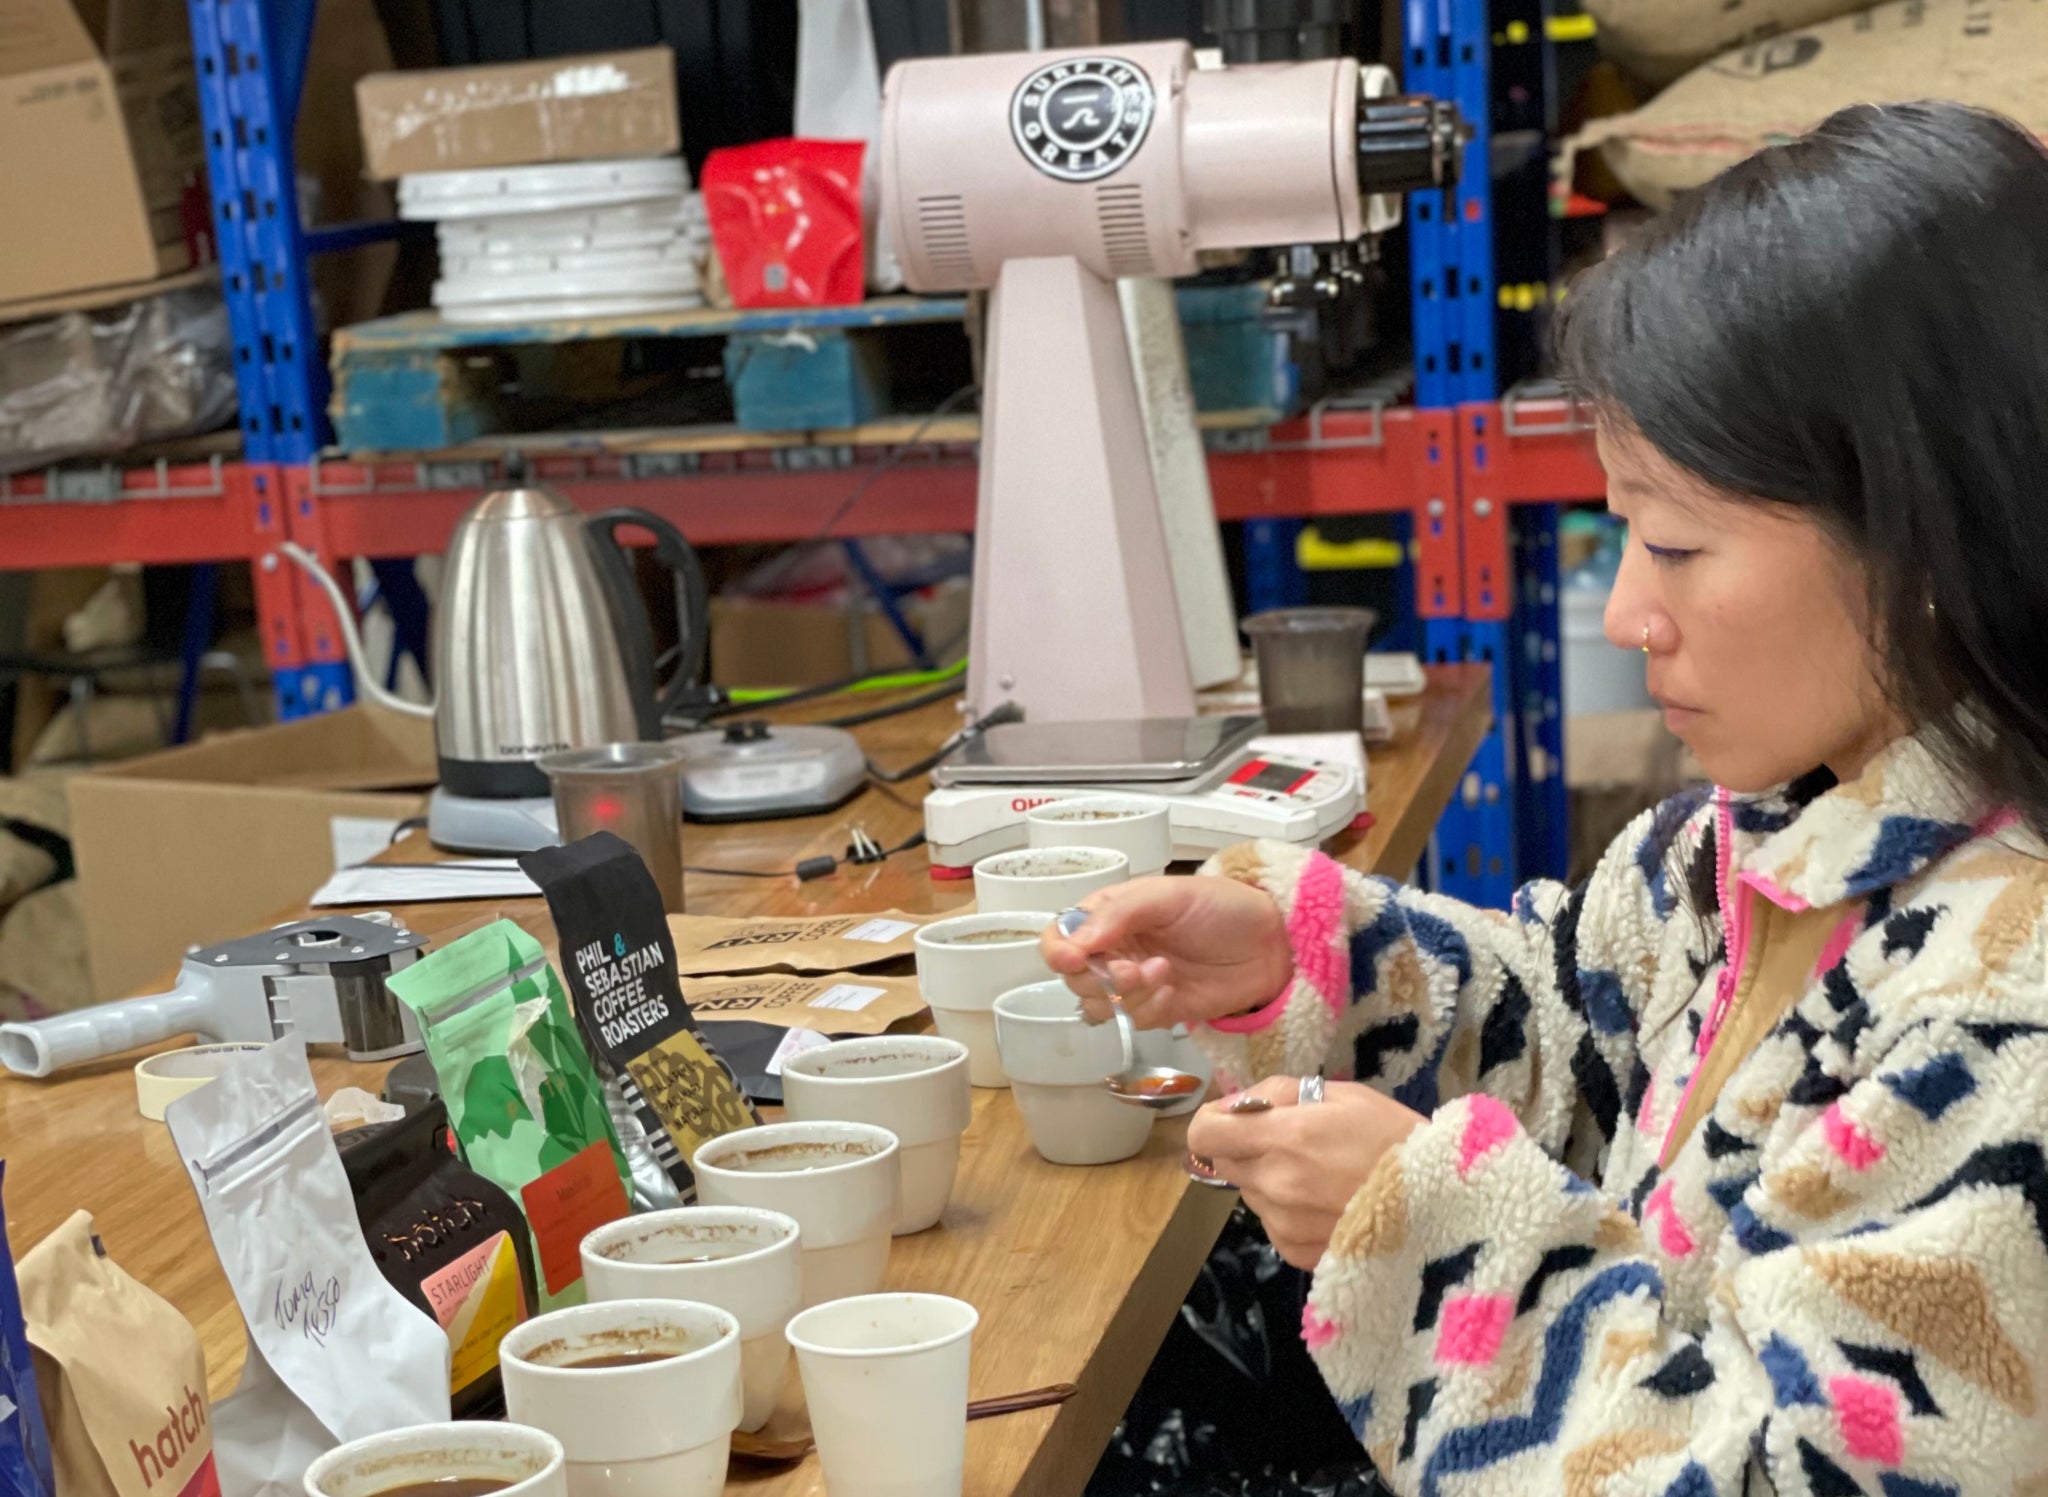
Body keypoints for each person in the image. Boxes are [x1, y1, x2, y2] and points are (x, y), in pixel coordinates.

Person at [1043, 101, 2048, 1496]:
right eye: (1623, 529)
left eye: (1679, 542)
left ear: (1929, 536)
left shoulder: (2005, 1019)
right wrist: (1318, 960)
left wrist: (1425, 1232)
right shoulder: (1777, 833)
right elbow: (1592, 1025)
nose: (1631, 607)